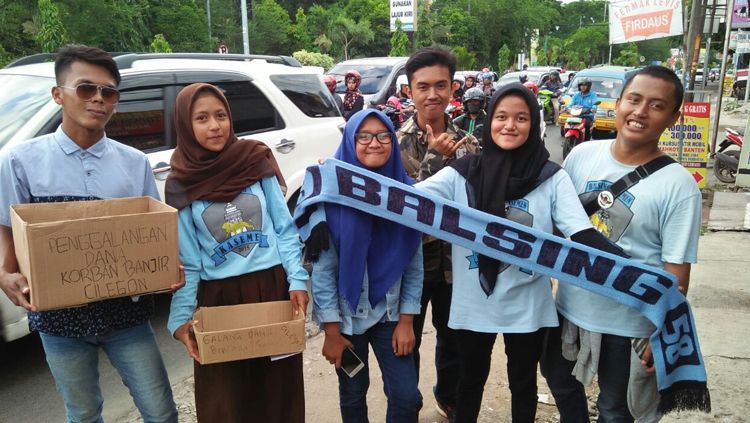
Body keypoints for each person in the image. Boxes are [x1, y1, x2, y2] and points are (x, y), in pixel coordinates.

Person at [416, 82, 624, 423]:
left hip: (528, 302)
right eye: (501, 116)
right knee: (469, 383)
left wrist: (628, 268)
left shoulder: (550, 177)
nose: (509, 125)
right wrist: (345, 181)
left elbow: (580, 231)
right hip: (473, 303)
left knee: (523, 384)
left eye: (521, 118)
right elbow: (406, 199)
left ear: (534, 124)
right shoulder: (462, 173)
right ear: (489, 120)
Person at [0, 45, 178, 423]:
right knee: (83, 413)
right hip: (60, 321)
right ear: (57, 94)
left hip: (126, 315)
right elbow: (6, 227)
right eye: (86, 88)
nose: (98, 99)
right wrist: (4, 273)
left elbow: (152, 234)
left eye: (109, 92)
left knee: (161, 411)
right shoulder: (19, 162)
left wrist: (166, 269)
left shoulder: (134, 163)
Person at [541, 66, 701, 423]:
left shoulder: (679, 186)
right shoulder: (582, 155)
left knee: (616, 411)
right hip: (569, 310)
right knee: (561, 386)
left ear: (673, 118)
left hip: (628, 326)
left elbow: (677, 275)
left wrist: (661, 334)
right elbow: (557, 226)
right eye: (634, 99)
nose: (641, 112)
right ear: (618, 103)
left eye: (656, 106)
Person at [166, 83, 309, 422]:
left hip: (272, 292)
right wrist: (180, 319)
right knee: (227, 402)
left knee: (278, 394)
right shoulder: (182, 182)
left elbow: (284, 229)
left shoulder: (254, 160)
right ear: (186, 126)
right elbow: (190, 260)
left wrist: (297, 279)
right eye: (201, 118)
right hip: (220, 302)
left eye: (221, 116)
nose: (214, 126)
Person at [309, 108, 423, 422]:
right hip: (347, 320)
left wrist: (406, 322)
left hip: (390, 316)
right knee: (352, 394)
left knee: (406, 396)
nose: (375, 143)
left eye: (384, 135)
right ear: (350, 141)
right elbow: (323, 270)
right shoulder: (331, 197)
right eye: (364, 136)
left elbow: (413, 263)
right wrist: (331, 331)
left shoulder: (407, 195)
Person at [397, 46, 479, 421]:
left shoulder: (470, 142)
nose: (432, 94)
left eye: (441, 85)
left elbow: (477, 202)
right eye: (423, 86)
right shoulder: (392, 142)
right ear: (409, 91)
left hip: (457, 262)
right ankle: (407, 400)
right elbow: (402, 206)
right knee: (405, 339)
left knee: (454, 338)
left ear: (453, 89)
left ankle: (448, 397)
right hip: (410, 261)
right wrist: (433, 158)